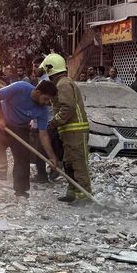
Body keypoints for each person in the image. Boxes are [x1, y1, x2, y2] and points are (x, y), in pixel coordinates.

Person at [0, 80, 60, 200]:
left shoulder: (42, 109)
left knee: (22, 159)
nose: (47, 103)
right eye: (46, 98)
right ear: (37, 92)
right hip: (0, 123)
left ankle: (21, 192)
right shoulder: (20, 87)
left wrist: (51, 156)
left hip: (20, 128)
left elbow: (43, 134)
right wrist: (1, 118)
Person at [40, 53, 93, 205]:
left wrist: (54, 122)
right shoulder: (61, 84)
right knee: (69, 163)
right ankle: (72, 192)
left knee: (78, 163)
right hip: (69, 131)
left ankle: (84, 196)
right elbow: (58, 104)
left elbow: (67, 107)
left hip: (75, 131)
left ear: (51, 70)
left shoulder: (62, 84)